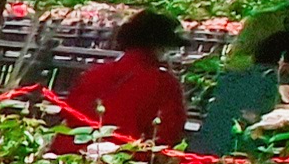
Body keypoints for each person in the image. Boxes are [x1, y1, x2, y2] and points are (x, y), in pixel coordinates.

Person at [190, 23, 289, 157]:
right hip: (229, 151)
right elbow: (261, 118)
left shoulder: (244, 74)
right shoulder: (267, 79)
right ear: (285, 64)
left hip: (207, 146)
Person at [59, 9, 191, 145]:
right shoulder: (164, 83)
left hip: (73, 151)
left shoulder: (95, 72)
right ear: (163, 46)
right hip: (128, 157)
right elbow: (168, 132)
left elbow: (69, 115)